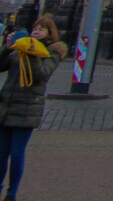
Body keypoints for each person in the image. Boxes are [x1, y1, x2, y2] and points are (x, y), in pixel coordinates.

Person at [1, 14, 67, 200]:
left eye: (41, 29)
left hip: (27, 108)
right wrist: (7, 48)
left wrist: (32, 52)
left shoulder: (52, 52)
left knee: (16, 153)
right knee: (1, 153)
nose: (36, 31)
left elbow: (40, 75)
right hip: (6, 106)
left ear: (49, 33)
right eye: (35, 28)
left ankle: (11, 193)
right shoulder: (20, 47)